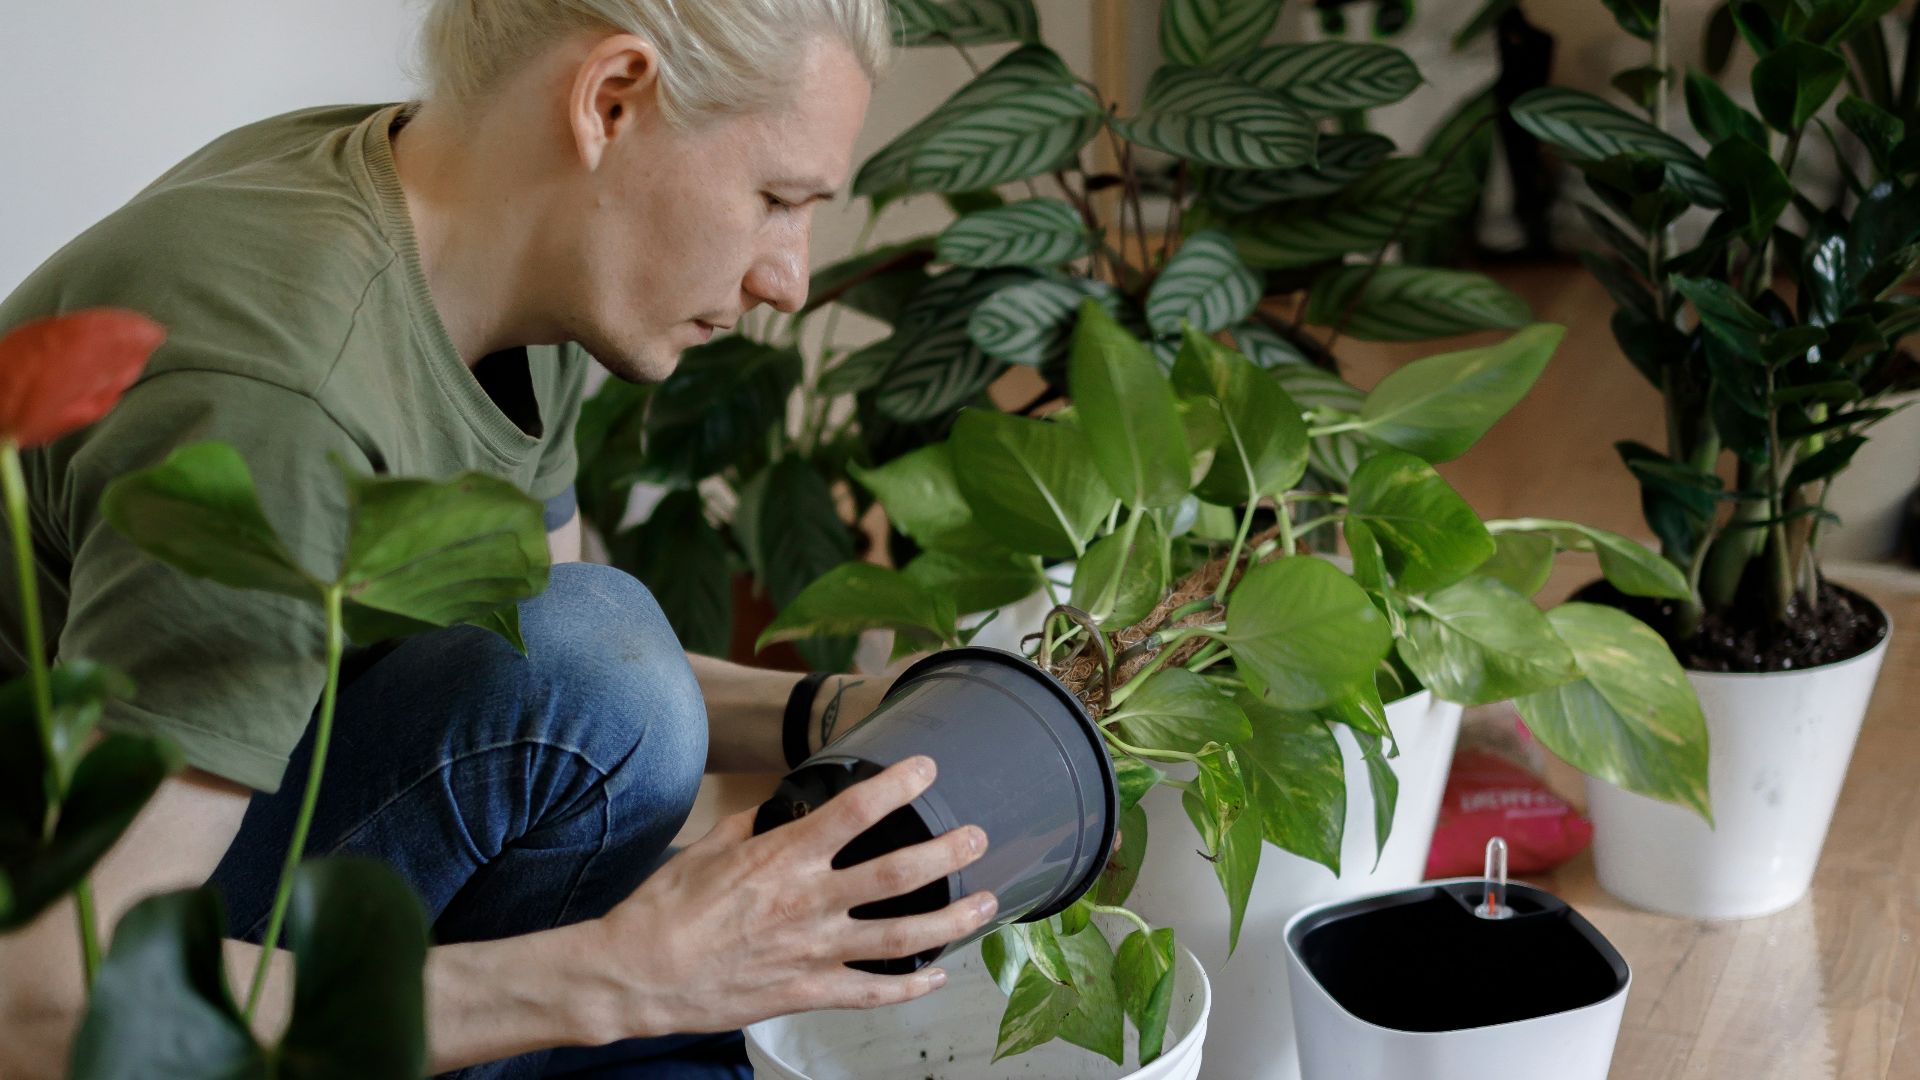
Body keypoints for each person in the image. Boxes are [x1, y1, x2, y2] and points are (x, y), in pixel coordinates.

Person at [0, 3, 998, 1077]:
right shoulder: (283, 399)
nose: (788, 279)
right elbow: (49, 1003)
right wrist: (622, 973)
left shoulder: (508, 259)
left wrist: (828, 715)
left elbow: (555, 668)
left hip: (188, 840)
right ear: (609, 101)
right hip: (55, 953)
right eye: (776, 201)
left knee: (606, 669)